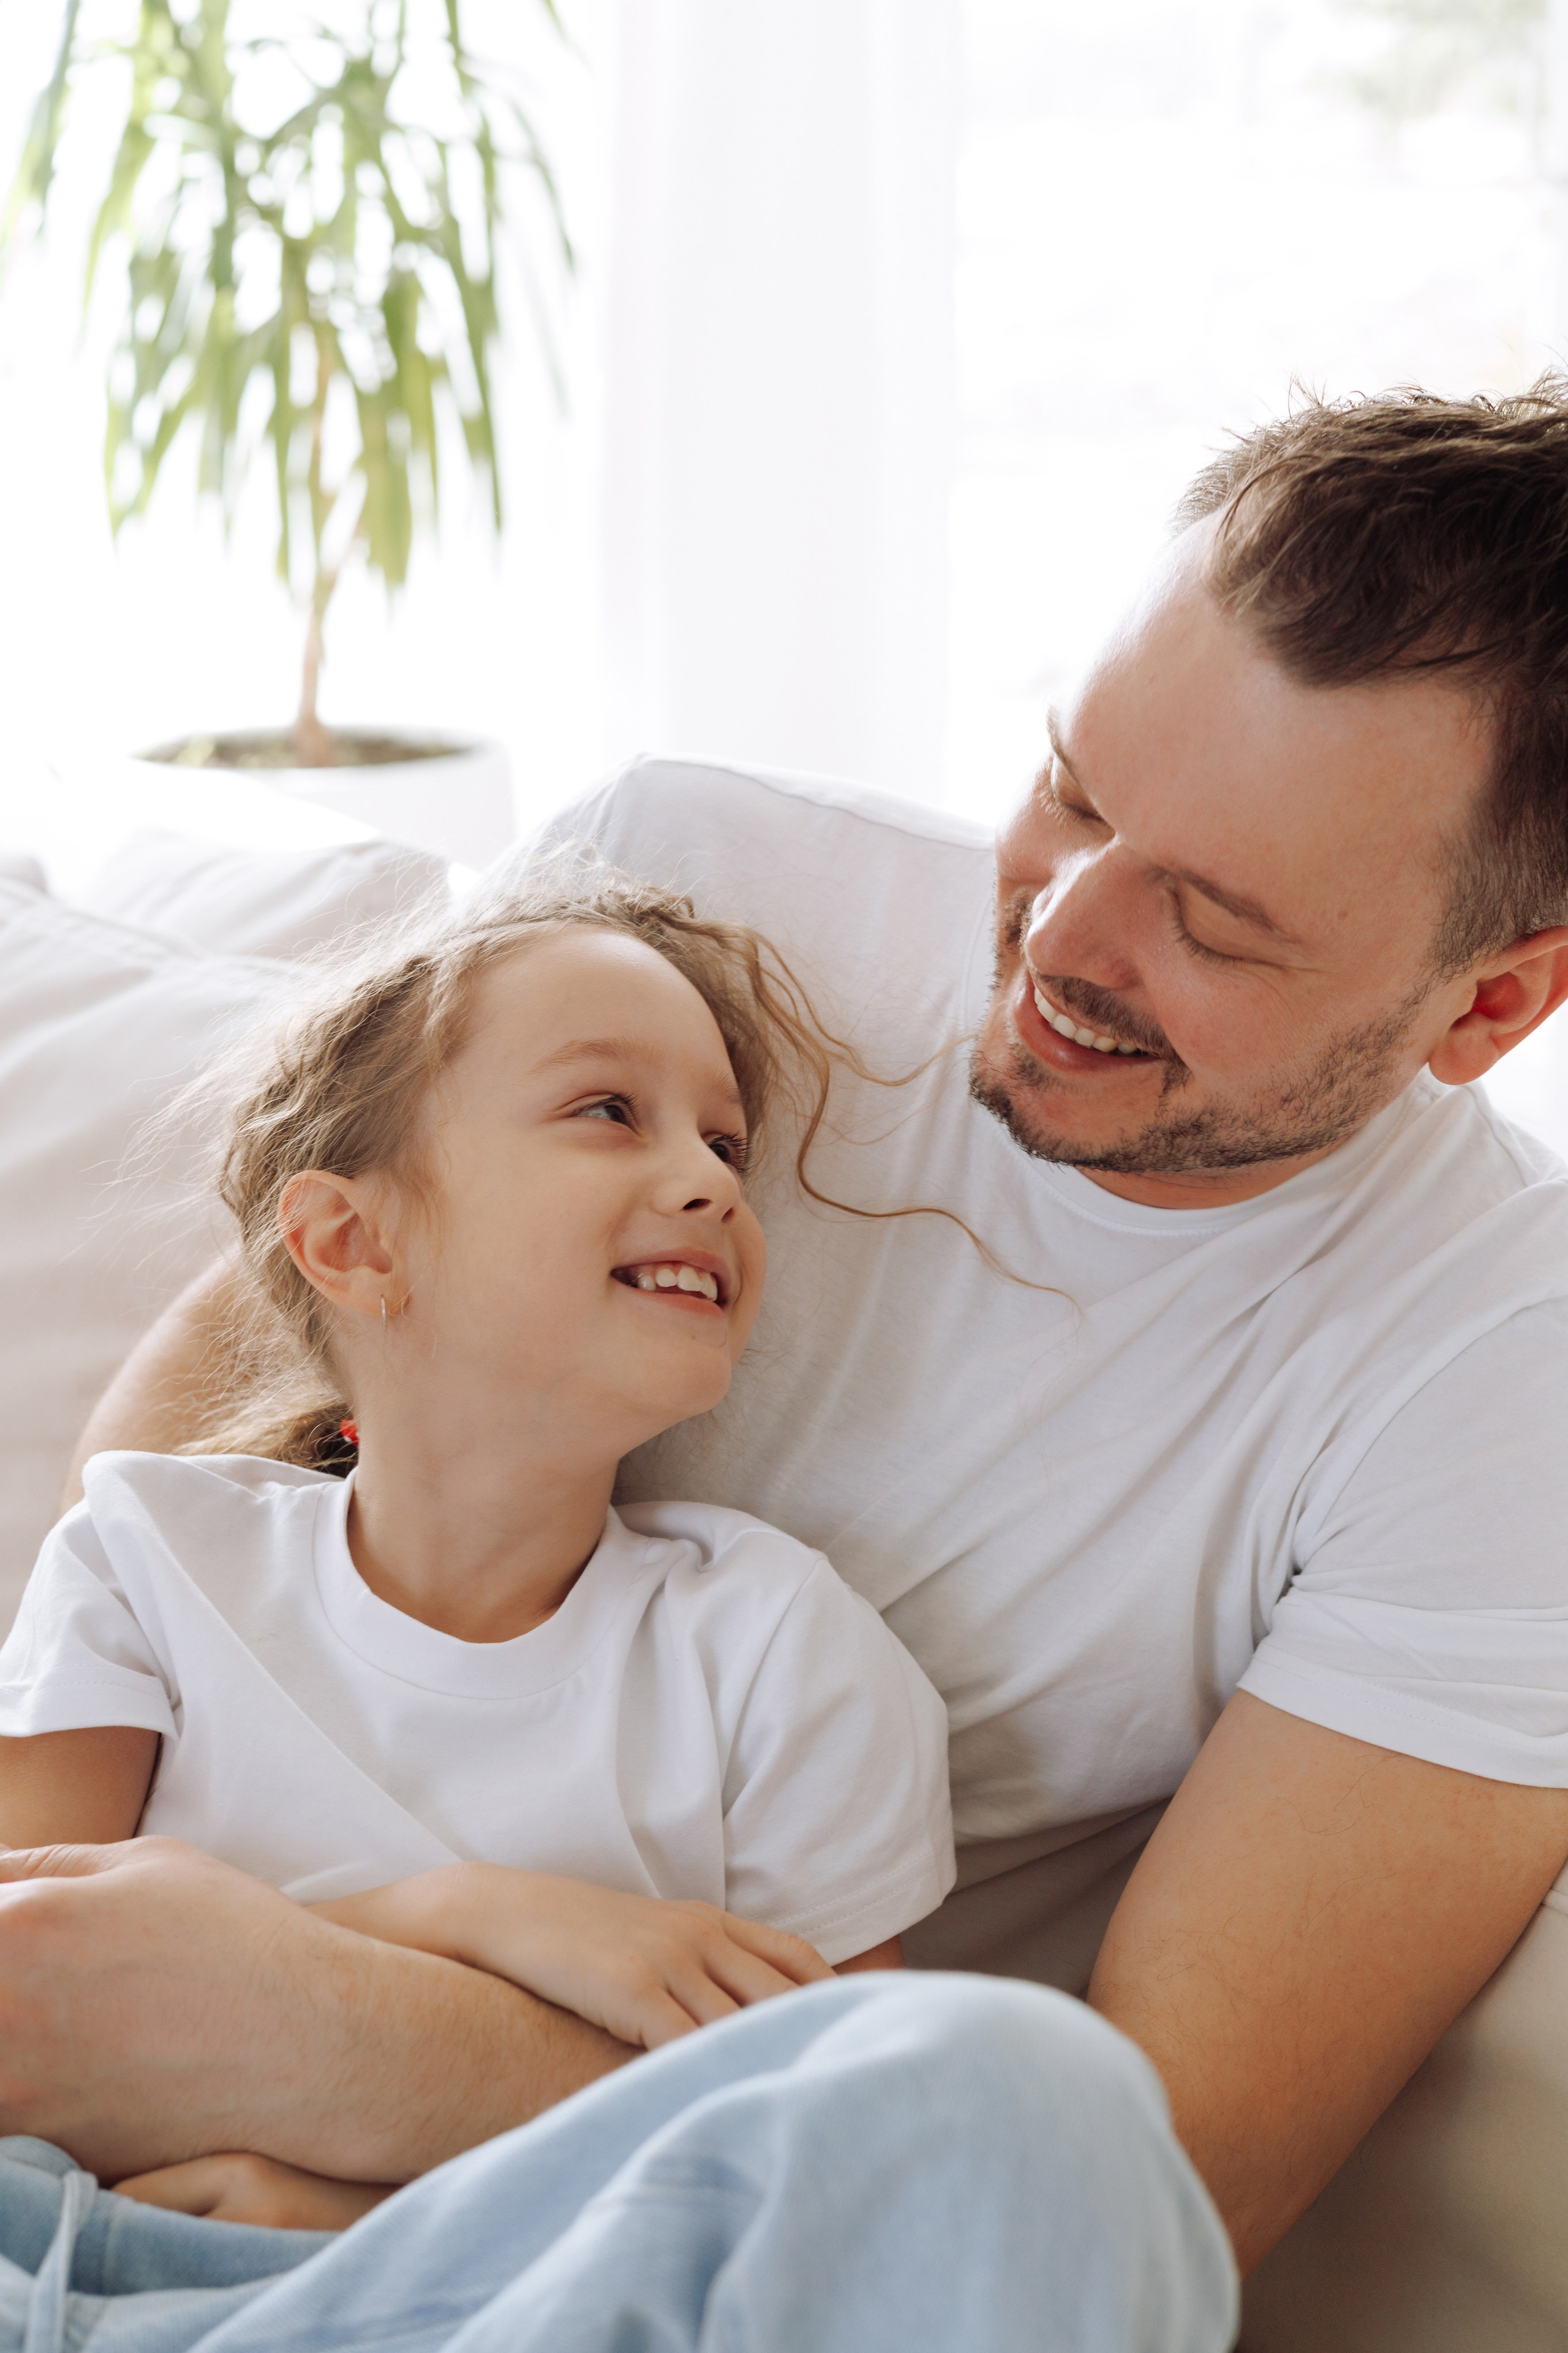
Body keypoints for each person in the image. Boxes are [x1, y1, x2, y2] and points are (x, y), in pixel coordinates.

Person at [5, 381, 1568, 2300]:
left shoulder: (1499, 1377)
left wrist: (351, 2042)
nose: (1061, 933)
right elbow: (200, 1477)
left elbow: (1125, 2189)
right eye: (1074, 784)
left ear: (1488, 1005)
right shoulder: (694, 900)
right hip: (139, 2166)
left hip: (662, 2244)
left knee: (1017, 2099)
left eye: (1216, 925)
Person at [0, 871, 956, 2225]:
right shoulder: (145, 1557)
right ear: (351, 1239)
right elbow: (21, 1984)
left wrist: (337, 2207)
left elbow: (842, 2164)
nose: (703, 1178)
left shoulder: (774, 1649)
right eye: (606, 1111)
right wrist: (478, 1915)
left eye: (724, 1145)